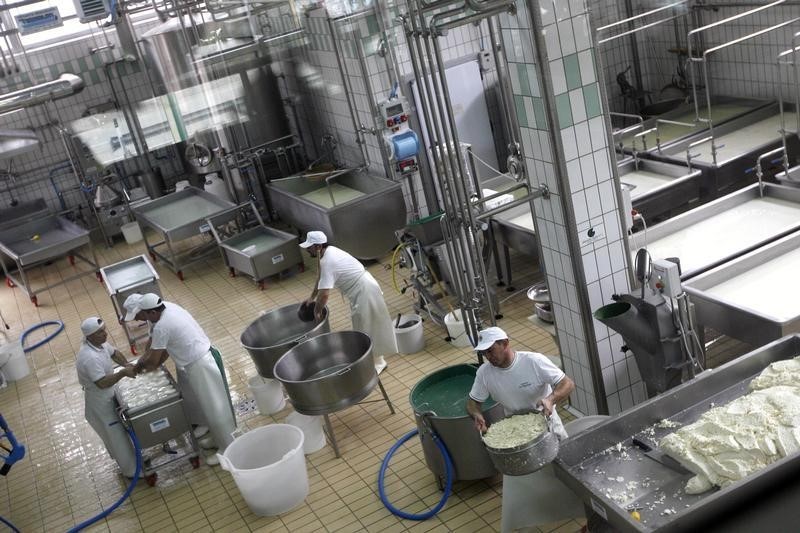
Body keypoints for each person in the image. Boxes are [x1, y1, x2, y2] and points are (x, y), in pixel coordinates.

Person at [124, 293, 236, 465]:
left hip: (200, 363)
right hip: (194, 360)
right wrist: (143, 361)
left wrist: (138, 368)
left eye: (139, 315)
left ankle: (228, 450)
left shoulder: (162, 325)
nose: (138, 319)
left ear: (148, 311)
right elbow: (155, 344)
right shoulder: (164, 308)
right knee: (207, 406)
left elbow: (155, 360)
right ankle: (219, 439)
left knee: (216, 408)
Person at [300, 230, 397, 373]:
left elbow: (325, 294)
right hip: (363, 288)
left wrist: (317, 311)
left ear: (318, 246)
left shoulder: (328, 261)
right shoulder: (329, 251)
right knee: (365, 326)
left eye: (309, 247)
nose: (307, 250)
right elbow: (320, 278)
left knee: (367, 327)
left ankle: (378, 363)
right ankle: (376, 360)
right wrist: (312, 297)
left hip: (364, 290)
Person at [466, 326, 574, 439]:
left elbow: (567, 383)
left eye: (490, 350)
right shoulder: (484, 373)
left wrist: (550, 400)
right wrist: (476, 414)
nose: (488, 356)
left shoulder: (533, 361)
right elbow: (472, 402)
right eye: (483, 353)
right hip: (516, 431)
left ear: (505, 343)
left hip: (547, 425)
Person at [75, 316, 140, 478]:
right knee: (116, 435)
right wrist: (123, 372)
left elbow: (115, 353)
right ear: (89, 336)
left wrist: (125, 364)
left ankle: (135, 460)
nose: (105, 334)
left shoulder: (99, 343)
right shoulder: (89, 357)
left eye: (104, 330)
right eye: (99, 333)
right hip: (100, 400)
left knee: (122, 430)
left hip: (109, 393)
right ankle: (131, 471)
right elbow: (102, 383)